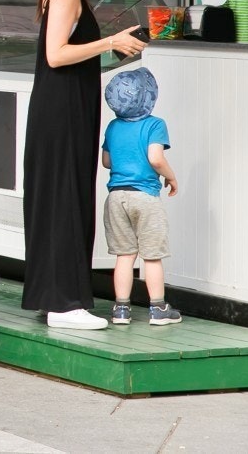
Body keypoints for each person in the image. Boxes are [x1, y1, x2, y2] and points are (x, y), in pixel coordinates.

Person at [22, 0, 147, 329]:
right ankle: (64, 304)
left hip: (61, 104)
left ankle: (55, 296)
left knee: (60, 193)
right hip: (64, 108)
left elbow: (66, 52)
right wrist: (110, 40)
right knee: (65, 194)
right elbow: (57, 55)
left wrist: (109, 48)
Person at [101, 67, 182, 326]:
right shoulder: (155, 125)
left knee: (124, 255)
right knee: (151, 255)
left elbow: (106, 161)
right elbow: (156, 158)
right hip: (145, 196)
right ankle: (158, 309)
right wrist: (171, 177)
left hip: (116, 197)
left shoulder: (113, 126)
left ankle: (121, 310)